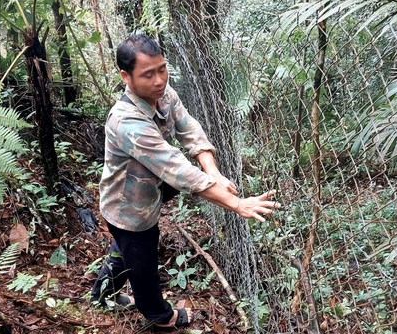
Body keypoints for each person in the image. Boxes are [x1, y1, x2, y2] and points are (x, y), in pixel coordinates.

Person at [89, 34, 279, 329]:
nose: (159, 80)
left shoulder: (163, 95)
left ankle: (100, 296)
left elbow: (189, 129)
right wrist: (236, 203)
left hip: (147, 194)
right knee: (143, 267)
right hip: (128, 209)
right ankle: (160, 315)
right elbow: (175, 167)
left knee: (123, 251)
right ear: (126, 76)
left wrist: (212, 171)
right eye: (148, 74)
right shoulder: (126, 121)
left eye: (162, 69)